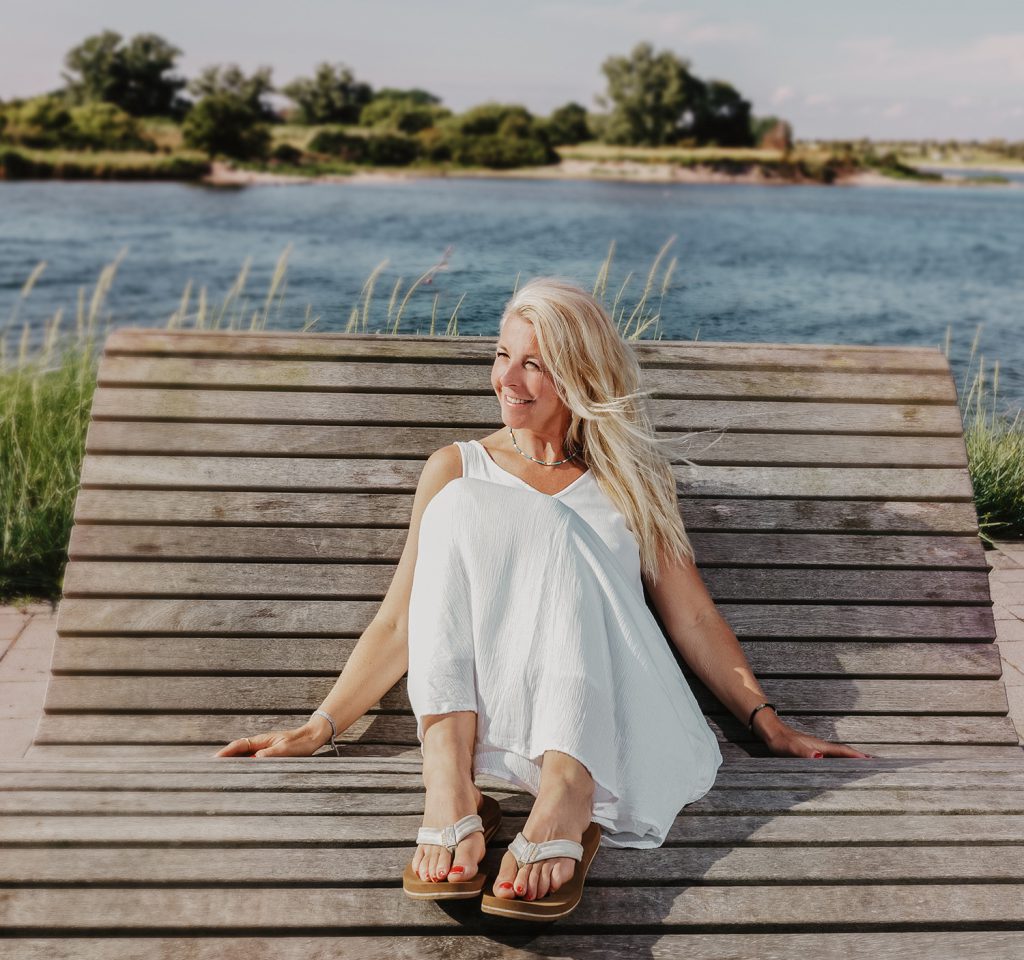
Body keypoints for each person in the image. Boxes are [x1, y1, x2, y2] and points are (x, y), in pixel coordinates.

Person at [214, 276, 872, 912]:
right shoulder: (457, 469)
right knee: (462, 499)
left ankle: (570, 784)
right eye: (502, 355)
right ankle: (447, 782)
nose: (506, 378)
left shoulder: (632, 482)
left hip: (617, 721)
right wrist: (320, 725)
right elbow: (400, 622)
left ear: (580, 375)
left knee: (531, 519)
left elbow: (693, 615)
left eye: (534, 363)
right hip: (499, 724)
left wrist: (769, 724)